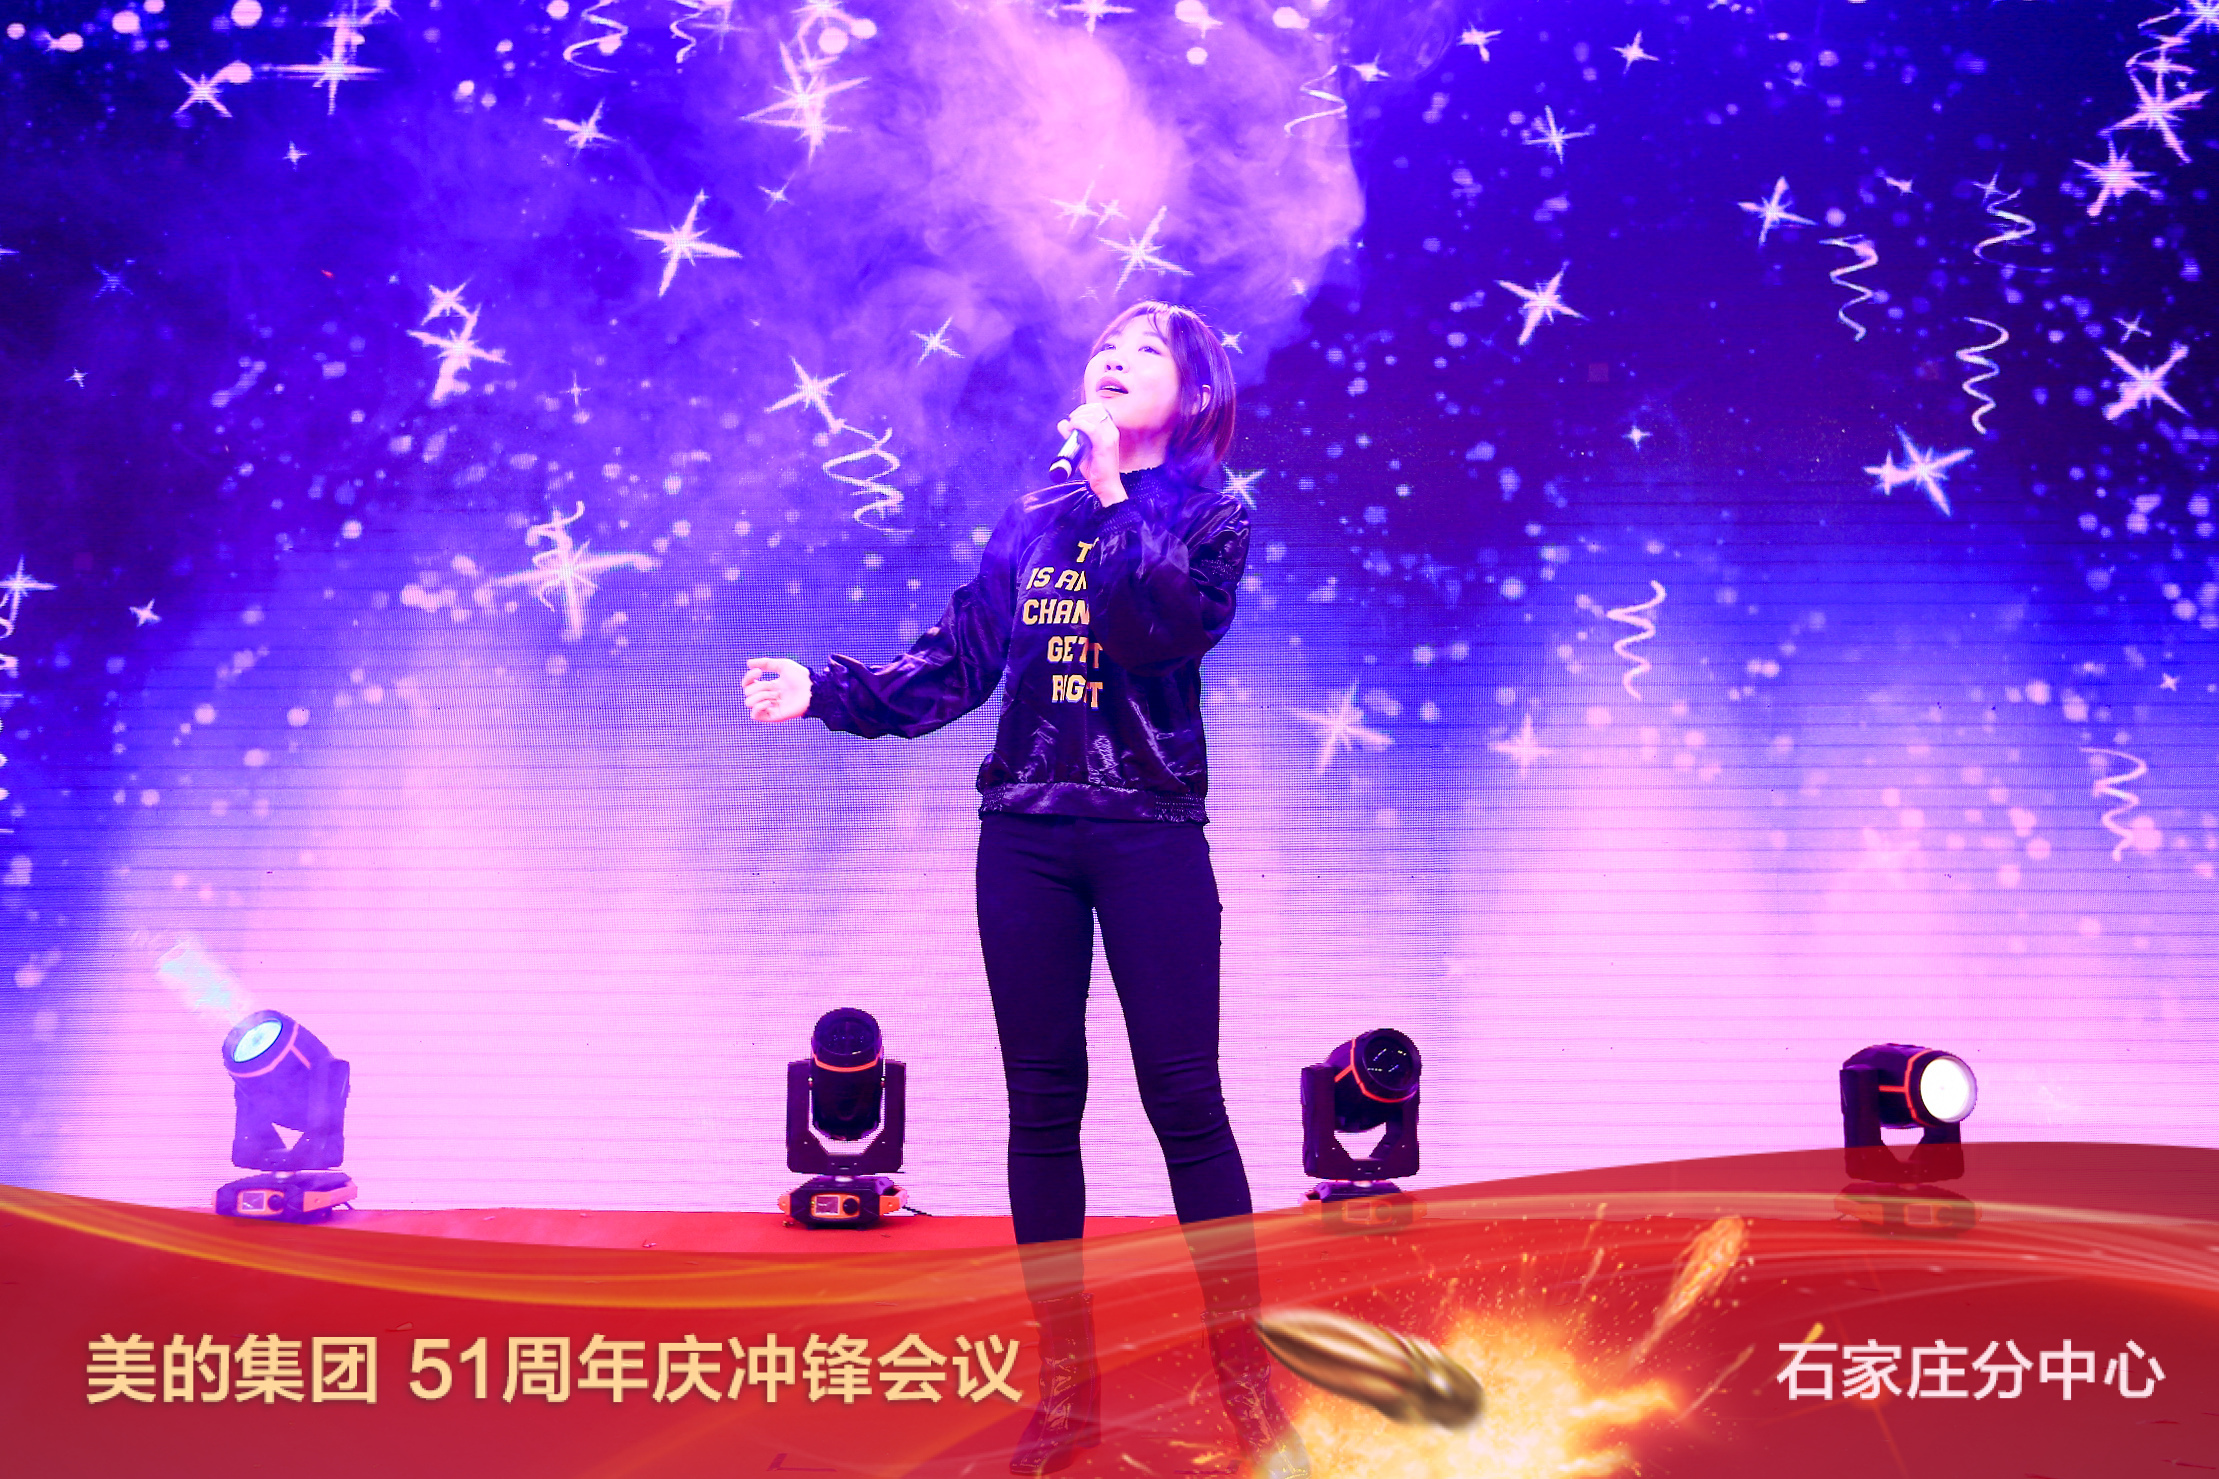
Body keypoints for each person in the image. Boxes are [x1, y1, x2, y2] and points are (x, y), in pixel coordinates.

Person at [744, 301, 1307, 1478]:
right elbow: (958, 659)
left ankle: (1243, 1380)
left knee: (1184, 1103)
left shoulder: (1211, 514)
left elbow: (1159, 631)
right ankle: (1065, 1390)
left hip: (1149, 829)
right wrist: (828, 690)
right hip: (1026, 832)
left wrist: (1109, 493)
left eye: (1142, 350)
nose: (1111, 358)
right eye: (1104, 344)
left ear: (1195, 390)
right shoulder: (1032, 513)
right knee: (1041, 1106)